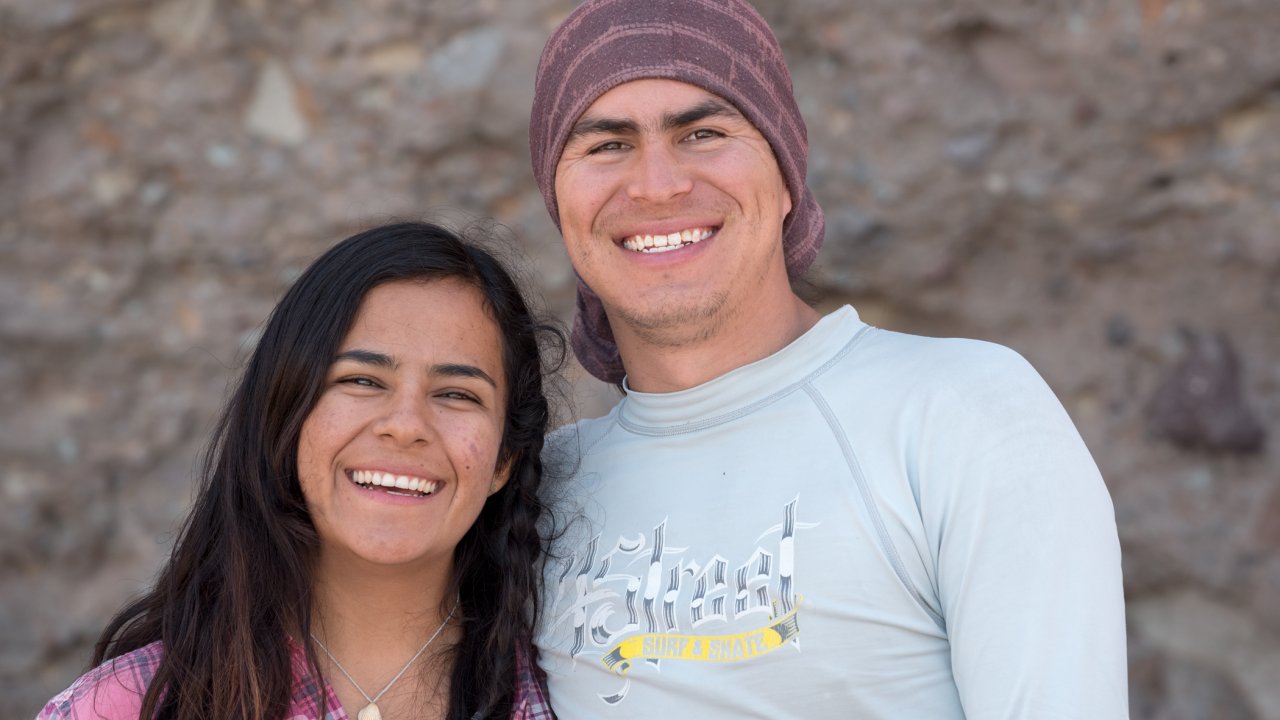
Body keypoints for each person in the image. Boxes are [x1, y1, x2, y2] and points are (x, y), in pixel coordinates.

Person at [528, 1, 1128, 718]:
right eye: (607, 146)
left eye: (704, 133)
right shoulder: (536, 491)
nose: (658, 185)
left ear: (786, 176)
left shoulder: (964, 412)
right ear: (559, 203)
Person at [38, 222, 560, 720]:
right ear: (285, 415)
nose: (405, 426)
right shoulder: (127, 707)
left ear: (504, 459)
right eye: (361, 380)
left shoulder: (580, 695)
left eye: (456, 394)